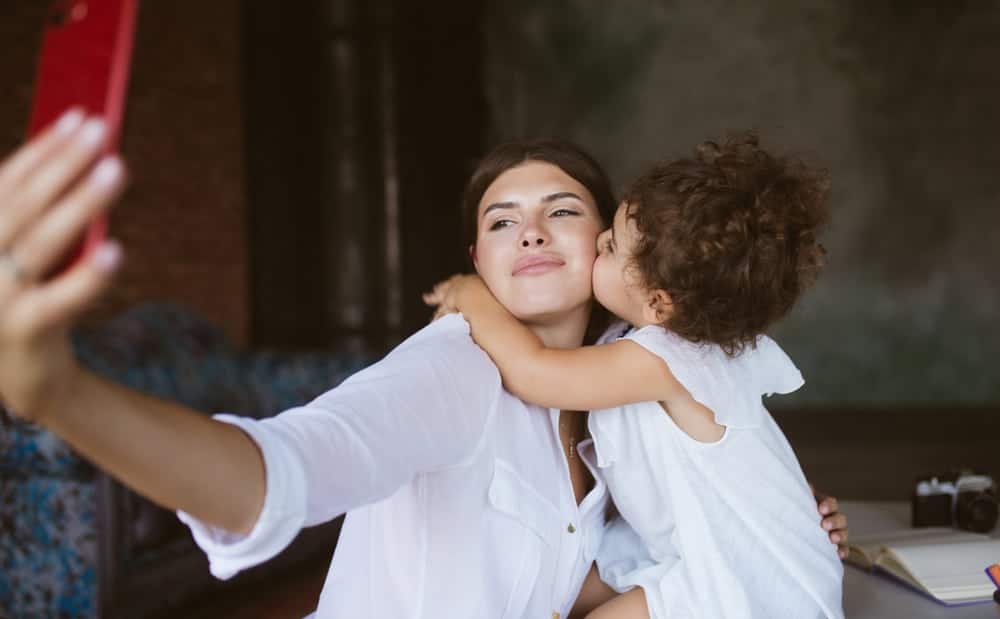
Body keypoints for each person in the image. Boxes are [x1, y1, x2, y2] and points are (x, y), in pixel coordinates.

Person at [0, 110, 847, 617]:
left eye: (562, 209)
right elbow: (279, 471)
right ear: (475, 260)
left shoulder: (617, 387)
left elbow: (569, 568)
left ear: (618, 249)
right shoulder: (454, 369)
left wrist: (763, 535)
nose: (531, 231)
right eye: (502, 220)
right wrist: (62, 394)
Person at [425, 134, 844, 618]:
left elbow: (536, 371)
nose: (598, 246)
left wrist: (469, 291)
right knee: (553, 587)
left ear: (659, 303)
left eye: (608, 246)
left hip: (743, 581)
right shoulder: (632, 342)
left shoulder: (670, 358)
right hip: (691, 550)